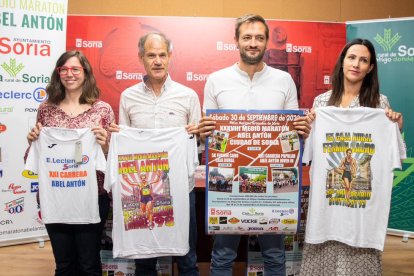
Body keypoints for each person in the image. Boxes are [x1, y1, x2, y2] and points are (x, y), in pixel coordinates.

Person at [197, 14, 312, 276]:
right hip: (228, 180)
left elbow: (290, 135)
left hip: (274, 182)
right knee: (223, 255)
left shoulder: (284, 81)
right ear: (236, 40)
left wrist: (300, 130)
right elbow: (213, 137)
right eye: (247, 37)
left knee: (274, 254)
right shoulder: (216, 80)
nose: (253, 43)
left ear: (266, 42)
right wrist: (205, 132)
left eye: (259, 38)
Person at [300, 38, 404, 275]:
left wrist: (396, 125)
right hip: (326, 211)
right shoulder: (322, 103)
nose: (356, 64)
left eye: (364, 60)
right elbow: (309, 149)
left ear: (370, 68)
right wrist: (307, 128)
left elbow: (393, 150)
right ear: (343, 62)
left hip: (361, 216)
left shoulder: (379, 103)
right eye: (352, 57)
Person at [109, 32, 201, 276]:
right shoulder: (128, 97)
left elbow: (198, 144)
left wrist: (196, 133)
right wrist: (119, 136)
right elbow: (125, 148)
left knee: (187, 257)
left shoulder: (188, 96)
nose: (157, 60)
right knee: (144, 257)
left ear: (170, 57)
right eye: (151, 55)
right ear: (141, 58)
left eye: (162, 55)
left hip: (182, 189)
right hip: (143, 189)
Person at [26, 50, 115, 275]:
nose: (69, 74)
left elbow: (114, 160)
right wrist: (32, 141)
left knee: (89, 263)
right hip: (55, 197)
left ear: (85, 73)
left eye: (75, 69)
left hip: (92, 197)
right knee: (64, 265)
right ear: (58, 74)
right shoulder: (46, 109)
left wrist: (105, 145)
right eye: (63, 69)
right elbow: (33, 157)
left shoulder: (102, 110)